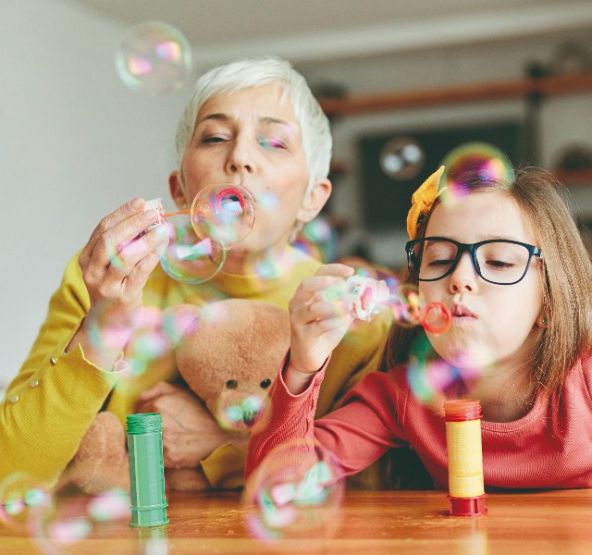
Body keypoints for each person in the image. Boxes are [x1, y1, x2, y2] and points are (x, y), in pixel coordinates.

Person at [0, 57, 390, 490]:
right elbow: (9, 472)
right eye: (215, 137)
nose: (240, 157)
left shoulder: (347, 309)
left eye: (274, 142)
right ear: (180, 189)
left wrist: (223, 442)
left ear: (312, 200)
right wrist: (101, 326)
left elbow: (369, 489)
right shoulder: (107, 282)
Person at [246, 166, 592, 490]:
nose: (459, 278)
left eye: (497, 261)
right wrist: (304, 363)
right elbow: (276, 486)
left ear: (550, 300)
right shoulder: (404, 396)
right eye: (438, 259)